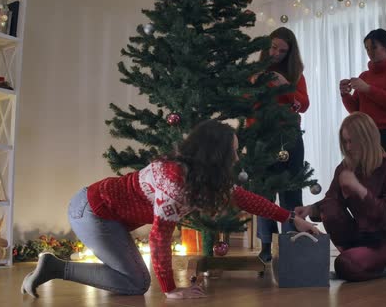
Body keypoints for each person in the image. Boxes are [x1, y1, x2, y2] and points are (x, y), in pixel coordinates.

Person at [20, 120, 319, 299]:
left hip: (109, 215)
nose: (237, 158)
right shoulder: (176, 179)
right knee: (137, 283)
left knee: (132, 278)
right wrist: (170, 289)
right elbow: (159, 238)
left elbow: (245, 199)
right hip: (93, 210)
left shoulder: (199, 176)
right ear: (215, 154)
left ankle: (55, 266)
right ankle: (56, 267)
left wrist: (292, 219)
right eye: (233, 151)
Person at [295, 112, 386, 281]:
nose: (348, 147)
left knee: (344, 265)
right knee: (330, 207)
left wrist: (359, 190)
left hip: (384, 243)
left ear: (367, 139)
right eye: (345, 142)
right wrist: (310, 209)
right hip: (358, 237)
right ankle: (355, 257)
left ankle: (374, 264)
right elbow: (331, 200)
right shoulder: (345, 167)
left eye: (352, 141)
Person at [248, 27, 310, 262]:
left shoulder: (295, 75)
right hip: (260, 139)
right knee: (263, 195)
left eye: (282, 51)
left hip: (289, 139)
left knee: (291, 194)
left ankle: (291, 243)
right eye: (273, 47)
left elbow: (303, 105)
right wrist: (253, 87)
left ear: (289, 53)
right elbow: (244, 103)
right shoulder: (254, 72)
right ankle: (266, 244)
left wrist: (287, 85)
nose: (276, 53)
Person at [339, 28, 386, 165]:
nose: (370, 52)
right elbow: (356, 110)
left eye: (374, 47)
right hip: (365, 136)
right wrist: (345, 94)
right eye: (367, 48)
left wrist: (367, 89)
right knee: (366, 182)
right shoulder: (364, 76)